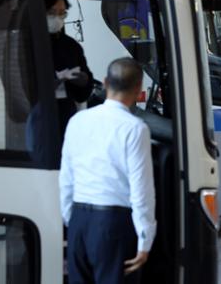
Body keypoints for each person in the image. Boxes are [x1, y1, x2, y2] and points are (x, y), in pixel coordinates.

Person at [60, 58, 156, 283]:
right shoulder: (135, 128)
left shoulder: (78, 121)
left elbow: (66, 178)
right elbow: (141, 190)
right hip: (113, 224)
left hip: (79, 220)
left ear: (105, 82)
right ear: (138, 88)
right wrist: (145, 240)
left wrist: (71, 221)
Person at [43, 0, 93, 135]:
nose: (58, 19)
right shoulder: (26, 43)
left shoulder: (71, 46)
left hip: (67, 119)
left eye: (62, 14)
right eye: (52, 13)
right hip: (40, 121)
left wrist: (84, 82)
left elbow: (83, 94)